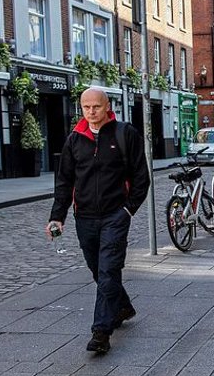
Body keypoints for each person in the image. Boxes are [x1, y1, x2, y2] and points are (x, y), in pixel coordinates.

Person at [46, 88, 150, 353]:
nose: (91, 112)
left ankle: (101, 332)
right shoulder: (74, 140)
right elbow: (65, 181)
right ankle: (123, 306)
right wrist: (57, 217)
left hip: (116, 215)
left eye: (96, 107)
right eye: (86, 107)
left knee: (108, 270)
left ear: (107, 107)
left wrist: (128, 210)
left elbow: (141, 178)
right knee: (97, 269)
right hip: (85, 218)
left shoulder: (124, 134)